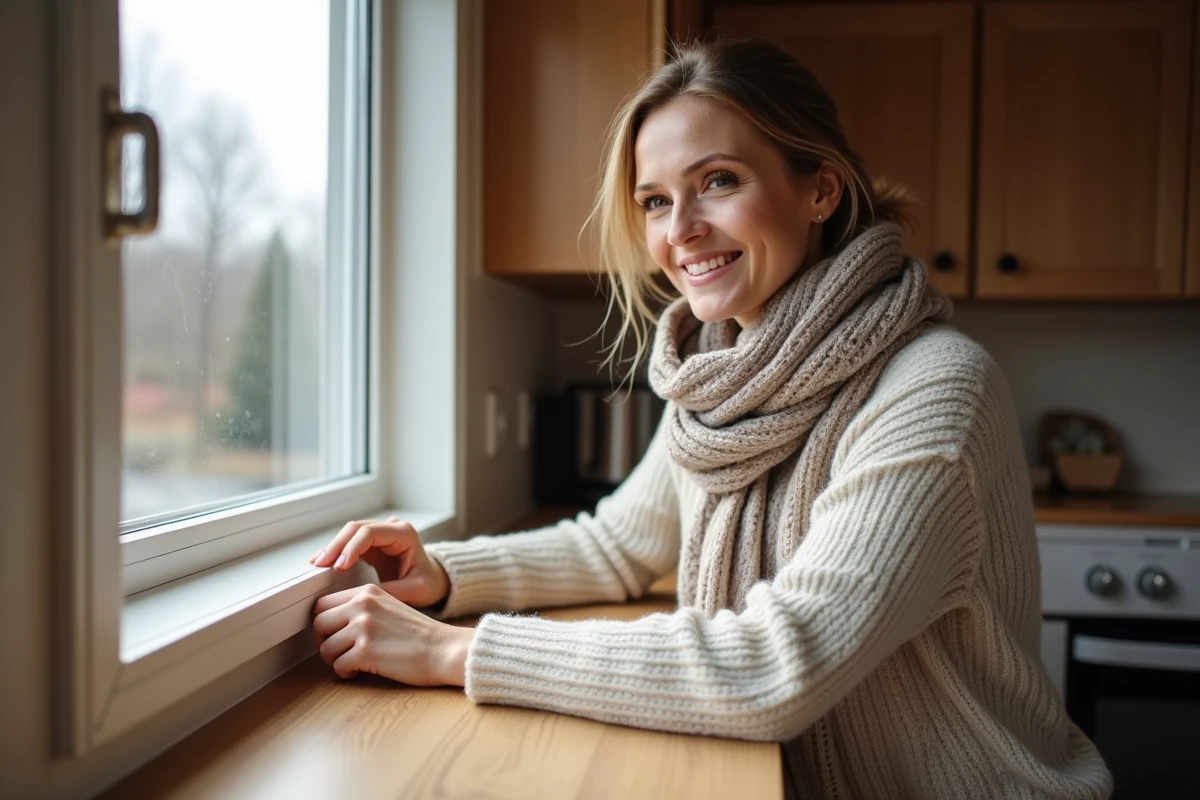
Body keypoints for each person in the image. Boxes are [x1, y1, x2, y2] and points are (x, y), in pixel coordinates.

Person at [307, 38, 1113, 799]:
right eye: (655, 200)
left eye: (719, 181)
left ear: (820, 190)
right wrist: (444, 576)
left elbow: (776, 664)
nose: (680, 229)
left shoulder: (936, 387)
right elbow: (618, 545)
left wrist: (453, 650)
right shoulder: (726, 374)